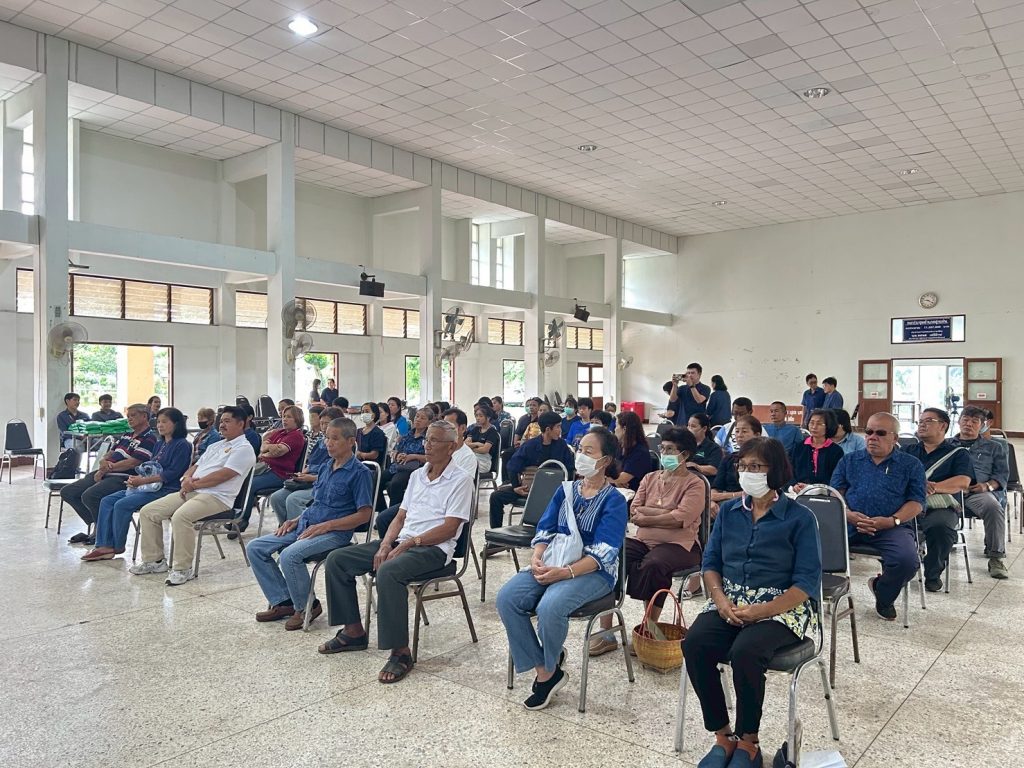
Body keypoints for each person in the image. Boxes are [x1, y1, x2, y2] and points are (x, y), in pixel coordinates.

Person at [683, 437, 821, 768]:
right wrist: (719, 600)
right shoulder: (730, 512)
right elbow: (711, 563)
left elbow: (806, 583)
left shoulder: (800, 518)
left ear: (776, 471)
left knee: (746, 651)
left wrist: (762, 611)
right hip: (730, 599)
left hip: (783, 606)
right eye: (742, 466)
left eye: (756, 466)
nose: (747, 473)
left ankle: (749, 742)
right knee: (695, 643)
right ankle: (723, 736)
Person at [317, 420, 474, 684]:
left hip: (433, 549)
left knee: (389, 571)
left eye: (434, 441)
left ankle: (400, 652)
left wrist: (409, 544)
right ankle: (353, 631)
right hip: (402, 541)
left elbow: (449, 528)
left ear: (452, 447)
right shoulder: (417, 476)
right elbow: (400, 517)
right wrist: (385, 544)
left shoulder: (461, 480)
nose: (427, 445)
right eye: (427, 439)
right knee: (338, 559)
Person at [497, 426, 628, 710]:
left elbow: (604, 553)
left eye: (589, 451)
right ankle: (547, 669)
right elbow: (545, 529)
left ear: (605, 460)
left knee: (549, 607)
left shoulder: (614, 501)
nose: (581, 455)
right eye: (580, 449)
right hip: (554, 561)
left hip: (595, 573)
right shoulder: (565, 490)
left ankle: (546, 671)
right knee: (507, 598)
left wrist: (565, 573)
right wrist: (538, 557)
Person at [248, 417, 374, 630]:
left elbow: (364, 515)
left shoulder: (360, 473)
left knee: (290, 555)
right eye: (327, 438)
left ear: (351, 441)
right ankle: (284, 601)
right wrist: (295, 520)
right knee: (255, 547)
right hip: (308, 525)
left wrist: (328, 526)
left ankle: (307, 606)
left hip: (334, 533)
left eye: (335, 439)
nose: (328, 443)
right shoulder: (325, 467)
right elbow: (317, 503)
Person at [591, 428, 705, 655]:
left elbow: (681, 518)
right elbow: (635, 510)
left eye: (670, 449)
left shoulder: (695, 484)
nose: (664, 453)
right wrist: (665, 513)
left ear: (685, 454)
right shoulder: (650, 478)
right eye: (663, 448)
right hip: (644, 540)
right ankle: (607, 631)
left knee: (654, 564)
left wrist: (649, 516)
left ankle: (649, 628)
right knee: (610, 554)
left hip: (681, 545)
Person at [131, 405, 256, 585]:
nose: (222, 425)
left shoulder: (244, 448)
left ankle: (183, 569)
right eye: (221, 421)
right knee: (148, 512)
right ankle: (154, 561)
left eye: (227, 421)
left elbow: (223, 475)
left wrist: (193, 484)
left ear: (241, 424)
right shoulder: (216, 445)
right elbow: (195, 466)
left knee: (181, 517)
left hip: (218, 498)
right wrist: (186, 479)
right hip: (194, 491)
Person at [831, 412, 926, 620]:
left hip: (891, 526)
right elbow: (836, 493)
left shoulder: (911, 465)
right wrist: (847, 514)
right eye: (869, 432)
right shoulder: (849, 460)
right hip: (849, 523)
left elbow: (917, 502)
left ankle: (883, 593)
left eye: (880, 433)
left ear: (895, 438)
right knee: (811, 547)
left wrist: (892, 521)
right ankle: (814, 601)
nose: (872, 437)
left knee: (907, 561)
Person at [81, 408, 192, 561]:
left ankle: (116, 546)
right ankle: (103, 545)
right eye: (158, 422)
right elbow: (149, 467)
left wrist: (143, 481)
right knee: (107, 501)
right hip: (148, 486)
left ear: (176, 424)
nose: (160, 425)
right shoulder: (160, 444)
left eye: (164, 422)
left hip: (166, 489)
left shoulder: (182, 445)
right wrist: (136, 478)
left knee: (121, 504)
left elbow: (172, 473)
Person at [61, 404, 156, 545]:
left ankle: (101, 533)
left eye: (133, 415)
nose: (129, 419)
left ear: (144, 416)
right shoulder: (127, 435)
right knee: (68, 492)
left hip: (124, 478)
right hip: (108, 472)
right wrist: (103, 462)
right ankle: (98, 525)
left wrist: (107, 469)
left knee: (90, 495)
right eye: (128, 416)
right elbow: (110, 452)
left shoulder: (149, 438)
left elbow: (133, 463)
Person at [904, 407, 974, 592]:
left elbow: (963, 481)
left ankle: (933, 572)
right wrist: (918, 486)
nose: (922, 425)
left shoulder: (958, 453)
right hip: (908, 504)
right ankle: (898, 570)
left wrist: (933, 487)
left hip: (940, 506)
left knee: (941, 527)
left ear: (943, 426)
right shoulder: (907, 451)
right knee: (890, 525)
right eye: (920, 421)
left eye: (928, 421)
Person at [488, 411, 576, 529]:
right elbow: (513, 466)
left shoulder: (562, 446)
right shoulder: (530, 446)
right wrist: (516, 487)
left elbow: (570, 470)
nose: (560, 430)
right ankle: (496, 532)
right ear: (548, 429)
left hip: (553, 492)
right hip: (529, 489)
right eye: (558, 427)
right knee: (496, 496)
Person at [952, 406, 1009, 579]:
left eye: (974, 421)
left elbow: (1002, 475)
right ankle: (921, 547)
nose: (968, 424)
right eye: (965, 420)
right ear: (958, 421)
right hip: (948, 491)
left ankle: (996, 557)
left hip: (977, 493)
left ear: (983, 425)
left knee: (993, 507)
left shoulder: (994, 447)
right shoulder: (946, 445)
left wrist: (987, 486)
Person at [235, 405, 308, 535]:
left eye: (289, 417)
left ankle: (242, 520)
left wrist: (266, 451)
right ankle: (236, 515)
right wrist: (268, 449)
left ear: (297, 419)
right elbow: (263, 447)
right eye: (284, 416)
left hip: (281, 474)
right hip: (267, 469)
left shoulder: (296, 436)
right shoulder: (280, 432)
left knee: (250, 484)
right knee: (242, 479)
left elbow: (279, 451)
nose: (284, 419)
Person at [268, 406, 343, 525]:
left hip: (325, 484)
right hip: (309, 481)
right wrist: (302, 474)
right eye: (322, 423)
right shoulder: (320, 442)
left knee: (294, 499)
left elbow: (335, 474)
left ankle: (300, 531)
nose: (324, 427)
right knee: (276, 498)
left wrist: (311, 478)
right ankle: (286, 528)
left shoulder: (341, 446)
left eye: (327, 423)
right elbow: (311, 463)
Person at [711, 416, 762, 516]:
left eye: (744, 431)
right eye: (737, 431)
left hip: (751, 504)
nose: (739, 435)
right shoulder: (728, 459)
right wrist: (711, 501)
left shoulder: (764, 459)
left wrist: (726, 496)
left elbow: (752, 493)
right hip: (724, 503)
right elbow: (715, 488)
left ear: (757, 435)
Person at [384, 408, 430, 507]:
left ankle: (394, 512)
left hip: (412, 468)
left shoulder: (428, 438)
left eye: (422, 418)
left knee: (395, 484)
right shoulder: (407, 435)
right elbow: (395, 450)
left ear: (428, 422)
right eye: (417, 416)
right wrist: (398, 455)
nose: (418, 419)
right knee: (376, 479)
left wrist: (413, 456)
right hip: (398, 465)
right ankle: (381, 508)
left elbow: (429, 458)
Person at [790, 408, 845, 491]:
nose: (814, 427)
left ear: (828, 426)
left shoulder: (836, 451)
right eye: (811, 423)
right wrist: (794, 485)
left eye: (819, 424)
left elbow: (837, 477)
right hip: (799, 492)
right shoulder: (799, 447)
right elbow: (788, 470)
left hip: (825, 492)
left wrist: (812, 487)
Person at [610, 410, 651, 492]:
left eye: (616, 426)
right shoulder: (619, 446)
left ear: (624, 429)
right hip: (618, 490)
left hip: (634, 492)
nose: (614, 429)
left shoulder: (640, 452)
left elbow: (623, 478)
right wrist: (615, 480)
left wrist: (614, 479)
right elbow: (608, 468)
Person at [504, 397, 541, 481]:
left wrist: (522, 442)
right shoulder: (523, 419)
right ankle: (506, 480)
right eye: (529, 405)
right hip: (519, 444)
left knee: (517, 458)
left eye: (534, 405)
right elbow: (517, 433)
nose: (531, 407)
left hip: (530, 446)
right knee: (507, 454)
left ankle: (518, 481)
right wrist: (515, 442)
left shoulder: (540, 420)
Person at [465, 404, 500, 475]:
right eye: (476, 416)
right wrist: (477, 444)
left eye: (481, 416)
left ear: (488, 417)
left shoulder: (492, 431)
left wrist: (471, 447)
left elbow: (485, 450)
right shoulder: (475, 429)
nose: (477, 418)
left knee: (464, 470)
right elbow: (465, 444)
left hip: (483, 462)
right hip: (472, 457)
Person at [687, 413, 723, 480]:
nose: (689, 429)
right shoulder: (684, 445)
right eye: (688, 425)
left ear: (704, 428)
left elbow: (714, 470)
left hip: (703, 481)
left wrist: (696, 466)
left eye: (693, 426)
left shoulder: (714, 448)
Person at [355, 401, 388, 473]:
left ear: (374, 415)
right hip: (357, 464)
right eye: (362, 412)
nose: (364, 414)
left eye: (367, 411)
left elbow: (374, 455)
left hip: (369, 466)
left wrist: (360, 454)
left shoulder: (378, 433)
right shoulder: (358, 431)